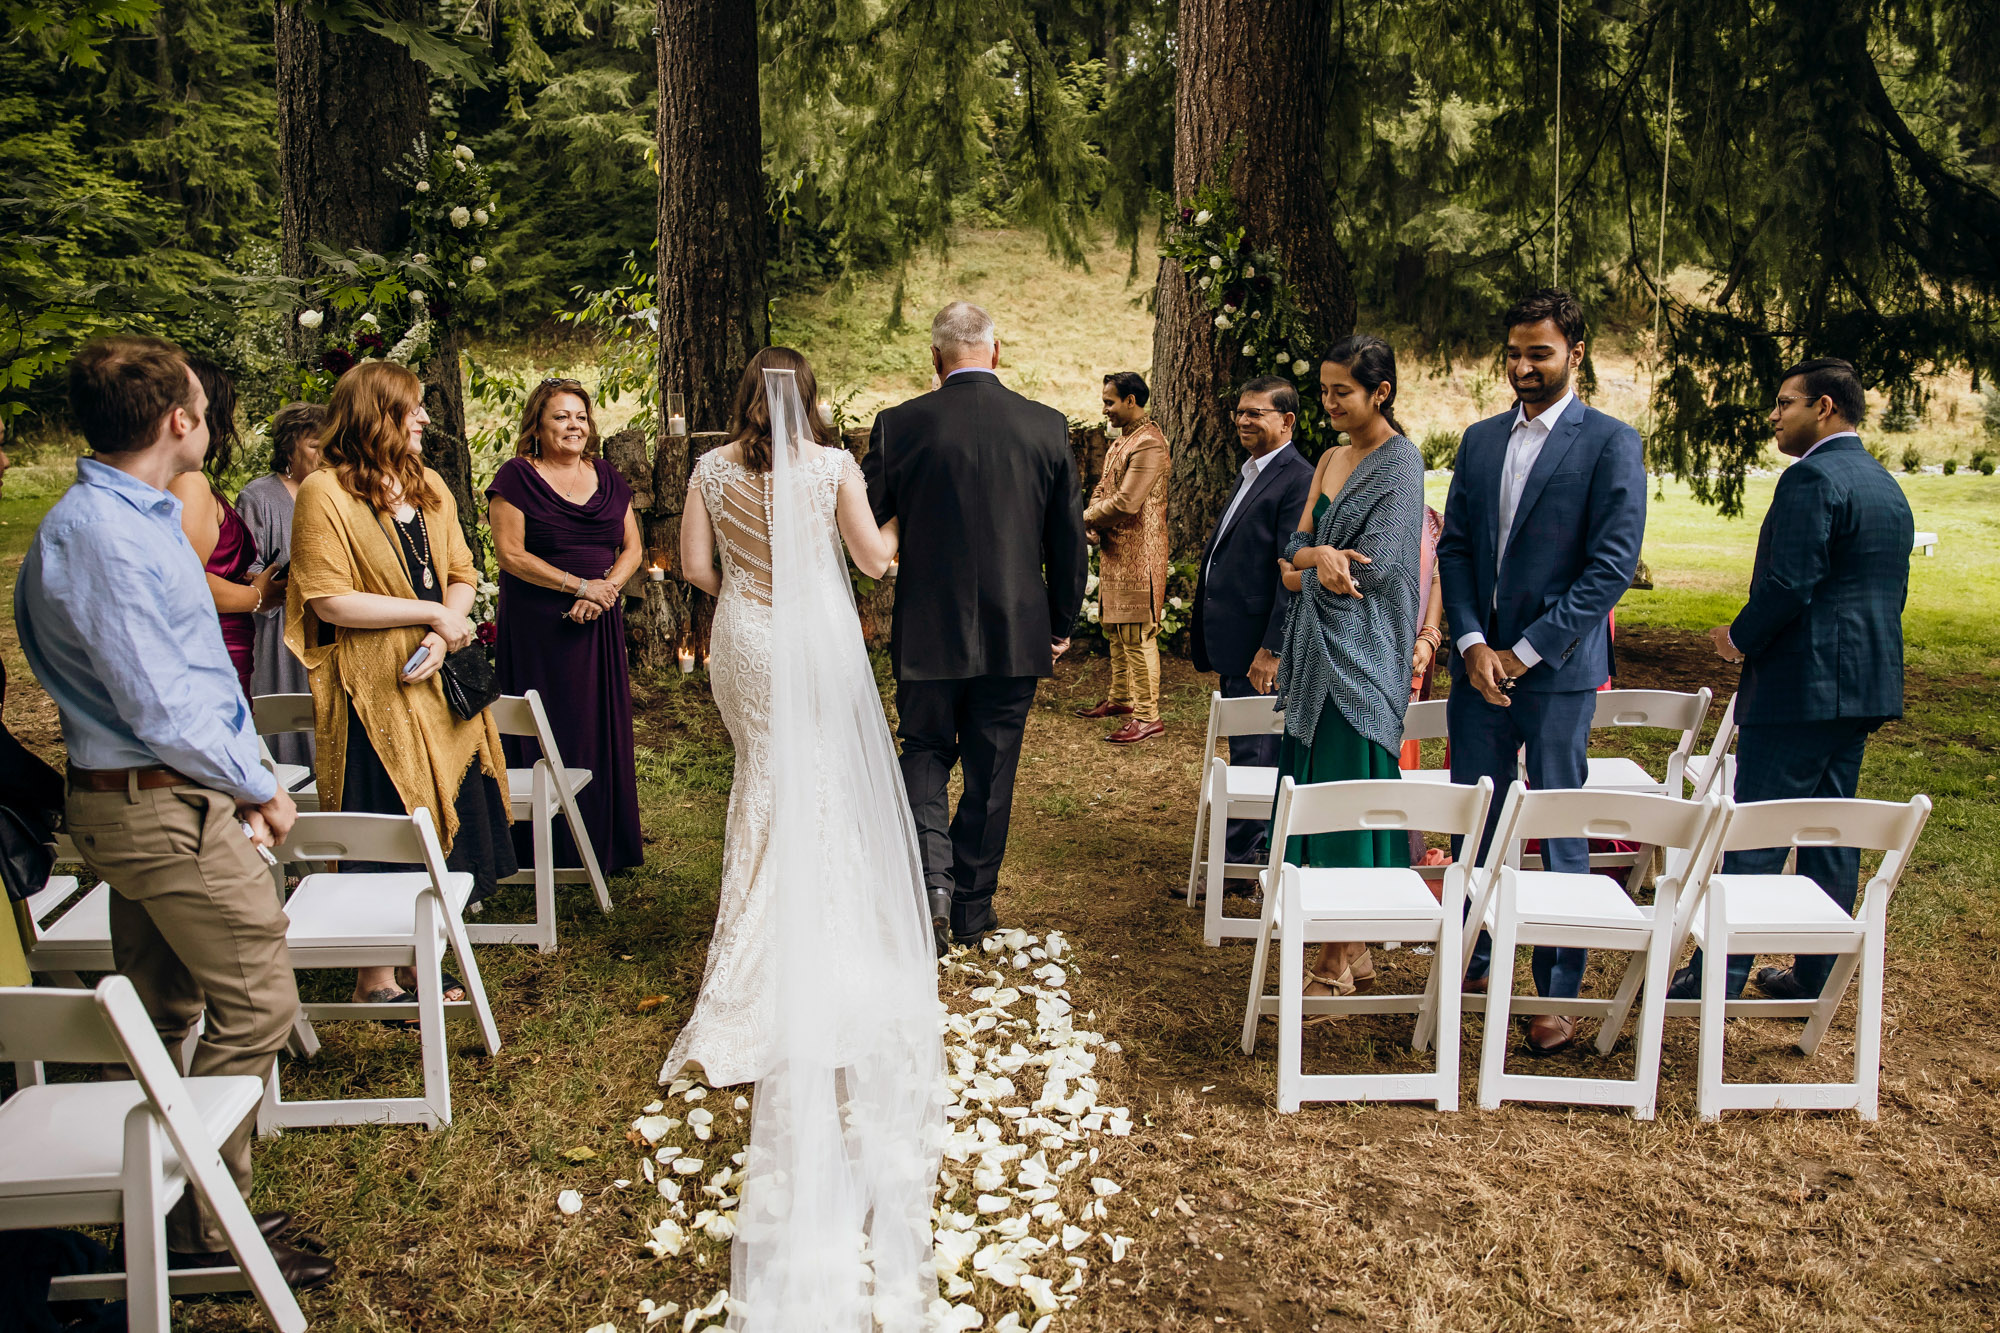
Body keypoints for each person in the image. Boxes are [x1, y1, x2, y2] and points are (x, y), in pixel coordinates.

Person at [13, 336, 331, 1286]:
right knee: (260, 996)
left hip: (139, 799)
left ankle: (161, 1208)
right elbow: (166, 700)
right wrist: (260, 784)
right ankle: (203, 1219)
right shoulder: (105, 535)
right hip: (159, 803)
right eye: (202, 405)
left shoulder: (112, 520)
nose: (210, 419)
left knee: (166, 1004)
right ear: (176, 422)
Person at [668, 349, 941, 1331]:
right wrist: (917, 512)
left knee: (763, 779)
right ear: (808, 399)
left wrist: (750, 580)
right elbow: (873, 558)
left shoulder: (707, 470)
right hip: (814, 635)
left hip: (743, 629)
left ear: (742, 395)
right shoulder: (830, 468)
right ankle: (806, 934)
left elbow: (694, 568)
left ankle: (747, 946)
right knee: (816, 781)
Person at [1437, 287, 1647, 1055]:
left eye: (1541, 353)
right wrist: (1469, 641)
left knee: (1557, 827)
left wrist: (1523, 651)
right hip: (1476, 666)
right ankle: (1470, 960)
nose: (1524, 367)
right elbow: (1455, 547)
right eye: (1516, 353)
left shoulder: (1610, 442)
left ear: (1576, 354)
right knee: (1476, 820)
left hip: (1554, 671)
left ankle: (1556, 991)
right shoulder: (1479, 439)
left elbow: (1610, 568)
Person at [1670, 357, 1913, 1001]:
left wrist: (1737, 639)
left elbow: (1790, 584)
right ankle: (1815, 974)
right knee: (1831, 832)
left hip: (1800, 686)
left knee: (1758, 829)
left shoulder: (1811, 479)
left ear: (1824, 408)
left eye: (1785, 403)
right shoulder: (1885, 484)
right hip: (1863, 686)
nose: (1774, 416)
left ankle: (1714, 976)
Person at [287, 361, 515, 1010]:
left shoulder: (431, 485)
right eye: (409, 409)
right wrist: (430, 615)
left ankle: (424, 955)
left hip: (441, 682)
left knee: (449, 812)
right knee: (388, 815)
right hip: (375, 689)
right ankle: (374, 976)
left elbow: (462, 571)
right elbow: (329, 600)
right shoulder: (324, 494)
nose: (422, 418)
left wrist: (447, 629)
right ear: (372, 415)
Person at [864, 302, 1089, 949]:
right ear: (996, 352)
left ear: (935, 360)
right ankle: (969, 909)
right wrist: (1061, 620)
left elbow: (867, 527)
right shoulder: (1046, 426)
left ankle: (929, 883)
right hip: (1016, 631)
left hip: (928, 629)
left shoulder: (898, 425)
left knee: (925, 750)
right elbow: (1067, 538)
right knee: (993, 770)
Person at [1272, 336, 1426, 998]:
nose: (1329, 403)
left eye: (1343, 392)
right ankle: (1352, 953)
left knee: (1346, 803)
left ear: (1381, 393)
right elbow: (1294, 550)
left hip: (1364, 657)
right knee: (1317, 798)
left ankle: (1334, 960)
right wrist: (1315, 561)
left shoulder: (1401, 463)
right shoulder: (1331, 457)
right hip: (1313, 652)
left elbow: (1380, 568)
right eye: (1325, 390)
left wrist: (1313, 562)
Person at [487, 378, 645, 875]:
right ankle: (540, 850)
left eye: (580, 416)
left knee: (596, 722)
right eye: (560, 416)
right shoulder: (516, 477)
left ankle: (601, 843)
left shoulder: (607, 475)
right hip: (539, 625)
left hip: (597, 621)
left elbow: (632, 550)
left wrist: (604, 592)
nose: (573, 425)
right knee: (544, 725)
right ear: (538, 424)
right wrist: (578, 587)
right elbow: (510, 555)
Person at [1182, 375, 1315, 896]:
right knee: (1247, 745)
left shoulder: (1296, 478)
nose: (1243, 420)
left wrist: (1273, 648)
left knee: (1257, 751)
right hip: (1235, 638)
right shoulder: (1253, 473)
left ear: (1287, 421)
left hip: (1261, 645)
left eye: (1256, 413)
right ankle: (1244, 852)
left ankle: (1241, 865)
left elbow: (1290, 574)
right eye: (1240, 411)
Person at [167, 356, 282, 697]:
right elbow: (186, 580)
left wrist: (237, 576)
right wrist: (258, 595)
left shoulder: (181, 477)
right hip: (211, 643)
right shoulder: (188, 481)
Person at [1077, 371, 1171, 744]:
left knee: (1137, 633)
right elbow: (1104, 490)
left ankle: (1148, 716)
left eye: (1110, 402)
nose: (1104, 410)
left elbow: (1127, 502)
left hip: (1140, 556)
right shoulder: (1124, 440)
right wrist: (1094, 523)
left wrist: (1083, 519)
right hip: (1117, 552)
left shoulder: (1149, 443)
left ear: (1132, 400)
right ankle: (1122, 699)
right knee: (1115, 628)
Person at [238, 401, 326, 768]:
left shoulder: (334, 492)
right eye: (313, 445)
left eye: (327, 444)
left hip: (325, 625)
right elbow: (244, 567)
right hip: (275, 626)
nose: (322, 454)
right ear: (289, 445)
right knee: (284, 711)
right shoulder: (258, 496)